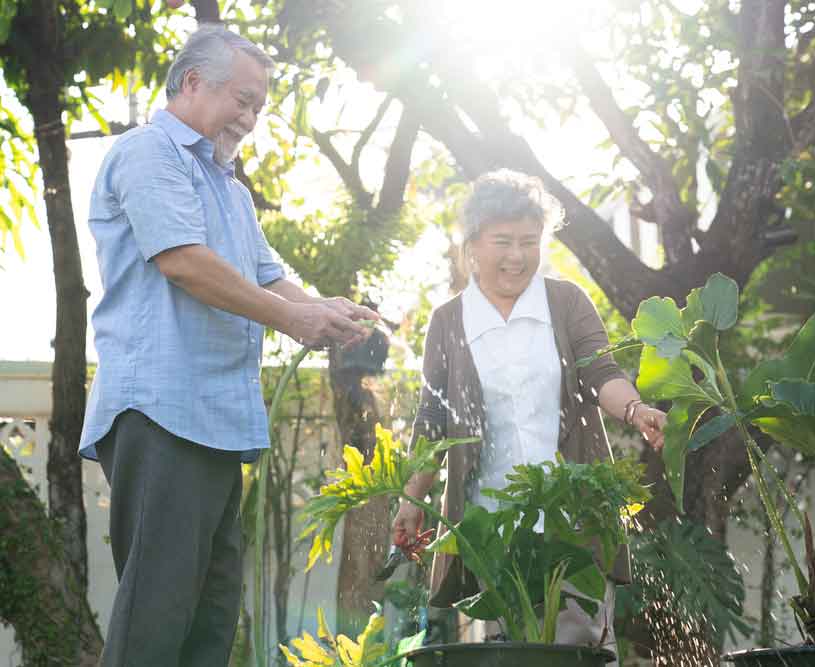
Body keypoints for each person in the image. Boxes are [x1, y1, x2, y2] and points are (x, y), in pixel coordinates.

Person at [79, 25, 377, 667]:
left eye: (257, 109)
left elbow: (269, 277)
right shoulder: (149, 153)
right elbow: (184, 261)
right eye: (240, 100)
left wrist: (326, 309)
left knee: (209, 627)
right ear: (192, 82)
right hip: (160, 412)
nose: (247, 119)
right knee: (155, 622)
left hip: (214, 423)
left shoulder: (231, 191)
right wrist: (295, 322)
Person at [391, 169, 666, 662]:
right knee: (508, 653)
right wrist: (412, 500)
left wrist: (635, 408)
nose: (517, 256)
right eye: (503, 241)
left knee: (578, 649)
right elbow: (432, 420)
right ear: (473, 244)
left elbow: (601, 371)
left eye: (529, 242)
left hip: (571, 519)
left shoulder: (565, 302)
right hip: (490, 531)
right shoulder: (449, 322)